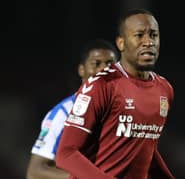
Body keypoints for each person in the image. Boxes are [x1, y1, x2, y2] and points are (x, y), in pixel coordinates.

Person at [56, 9, 175, 179]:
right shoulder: (101, 85)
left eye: (153, 35)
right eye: (139, 35)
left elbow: (145, 149)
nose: (148, 42)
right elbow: (66, 154)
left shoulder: (164, 89)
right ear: (121, 43)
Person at [26, 39, 118, 179]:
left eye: (109, 64)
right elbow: (35, 171)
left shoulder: (125, 111)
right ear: (82, 70)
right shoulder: (63, 113)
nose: (103, 70)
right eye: (96, 63)